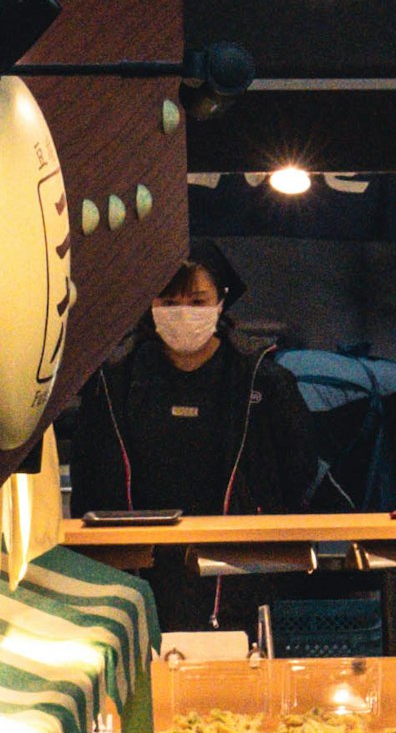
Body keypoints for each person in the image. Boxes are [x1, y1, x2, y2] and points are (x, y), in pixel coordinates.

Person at [61, 242, 325, 600]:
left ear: (221, 301)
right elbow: (87, 473)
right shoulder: (115, 379)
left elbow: (300, 471)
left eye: (198, 301)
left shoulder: (261, 378)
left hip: (237, 568)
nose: (183, 312)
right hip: (132, 572)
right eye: (169, 303)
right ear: (150, 304)